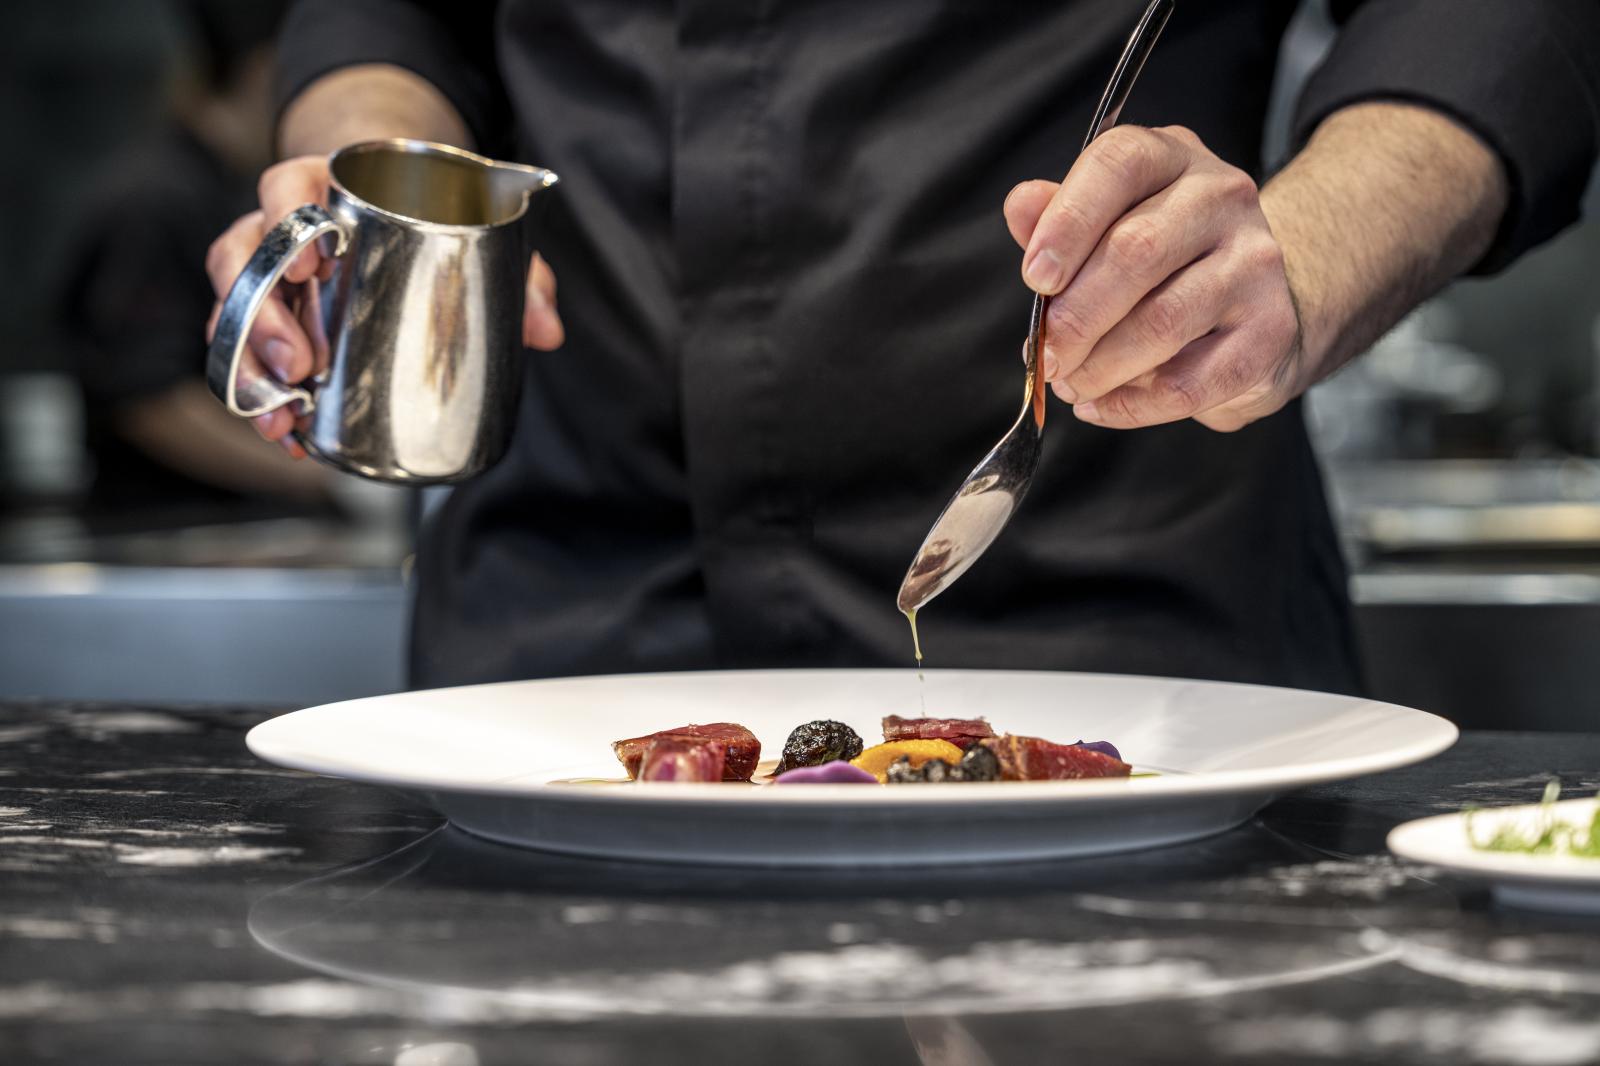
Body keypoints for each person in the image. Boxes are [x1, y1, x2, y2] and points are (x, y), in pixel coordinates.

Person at [206, 1, 1599, 693]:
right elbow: (386, 15)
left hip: (1122, 627)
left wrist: (1296, 258)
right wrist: (365, 166)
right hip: (562, 626)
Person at [61, 0, 338, 525]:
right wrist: (317, 474)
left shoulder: (232, 185)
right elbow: (147, 400)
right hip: (164, 529)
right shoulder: (154, 199)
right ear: (266, 71)